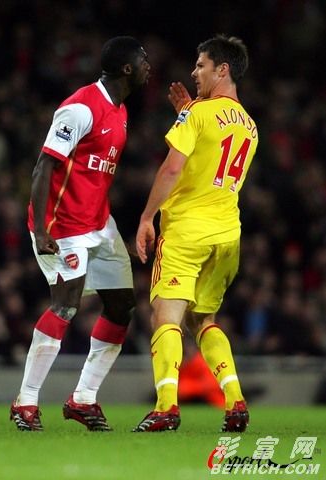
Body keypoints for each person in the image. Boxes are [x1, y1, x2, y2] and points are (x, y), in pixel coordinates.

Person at [10, 36, 151, 431]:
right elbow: (43, 168)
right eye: (143, 60)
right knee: (66, 304)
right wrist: (42, 229)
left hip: (100, 224)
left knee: (122, 306)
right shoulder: (79, 109)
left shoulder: (120, 110)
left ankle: (83, 399)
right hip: (64, 225)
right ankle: (25, 402)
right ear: (126, 68)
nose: (148, 66)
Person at [133, 35, 258, 432]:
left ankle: (166, 407)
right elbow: (213, 156)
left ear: (222, 69)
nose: (194, 72)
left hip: (187, 231)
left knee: (165, 316)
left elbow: (173, 168)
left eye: (201, 65)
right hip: (228, 236)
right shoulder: (250, 125)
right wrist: (189, 111)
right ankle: (235, 401)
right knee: (203, 319)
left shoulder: (197, 113)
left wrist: (147, 217)